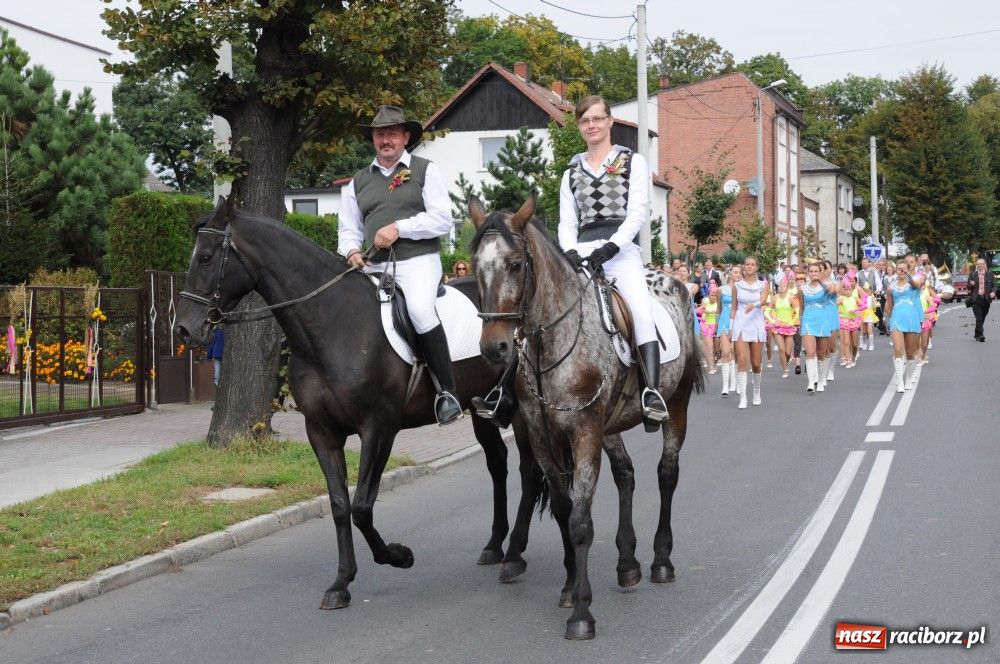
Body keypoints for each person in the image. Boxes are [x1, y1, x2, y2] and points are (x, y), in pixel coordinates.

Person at [338, 105, 462, 425]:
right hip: (374, 267)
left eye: (392, 133)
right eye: (380, 134)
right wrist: (352, 251)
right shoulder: (357, 182)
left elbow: (442, 219)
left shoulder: (425, 169)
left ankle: (446, 393)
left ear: (406, 137)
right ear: (373, 140)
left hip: (418, 261)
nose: (386, 139)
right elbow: (348, 229)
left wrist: (400, 229)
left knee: (420, 310)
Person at [559, 94, 668, 427]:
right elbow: (566, 221)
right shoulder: (571, 172)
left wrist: (613, 245)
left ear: (609, 121)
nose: (591, 125)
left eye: (597, 119)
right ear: (580, 127)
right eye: (585, 121)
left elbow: (637, 213)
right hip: (582, 252)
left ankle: (651, 393)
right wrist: (570, 250)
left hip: (620, 253)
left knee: (640, 311)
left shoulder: (632, 162)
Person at [730, 256, 770, 408]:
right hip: (740, 322)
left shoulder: (763, 284)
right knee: (741, 360)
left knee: (755, 363)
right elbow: (734, 307)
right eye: (747, 264)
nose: (749, 267)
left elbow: (765, 299)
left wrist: (754, 305)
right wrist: (730, 327)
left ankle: (757, 391)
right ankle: (743, 397)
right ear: (743, 267)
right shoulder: (737, 285)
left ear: (757, 267)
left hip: (756, 322)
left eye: (753, 265)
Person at [884, 259, 925, 392]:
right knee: (897, 350)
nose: (901, 271)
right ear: (896, 271)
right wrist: (886, 320)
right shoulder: (891, 287)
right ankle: (900, 381)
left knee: (911, 353)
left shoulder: (913, 283)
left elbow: (917, 285)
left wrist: (907, 275)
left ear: (908, 270)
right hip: (897, 318)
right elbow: (889, 305)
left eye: (904, 269)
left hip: (912, 318)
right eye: (899, 269)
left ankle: (908, 379)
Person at [716, 265, 741, 397]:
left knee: (736, 353)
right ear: (730, 274)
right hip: (724, 322)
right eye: (735, 272)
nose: (737, 275)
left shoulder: (742, 290)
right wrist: (716, 327)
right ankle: (725, 384)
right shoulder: (721, 290)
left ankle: (736, 382)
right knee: (726, 352)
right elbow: (718, 309)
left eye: (739, 273)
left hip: (738, 322)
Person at [770, 278, 799, 378]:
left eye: (784, 286)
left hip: (789, 327)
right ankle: (786, 369)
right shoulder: (774, 298)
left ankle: (785, 362)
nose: (781, 287)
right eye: (780, 286)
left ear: (787, 288)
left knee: (787, 352)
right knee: (781, 349)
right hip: (778, 327)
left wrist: (791, 322)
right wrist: (773, 320)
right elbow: (767, 312)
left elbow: (796, 311)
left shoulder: (791, 298)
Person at [967, 257, 996, 342]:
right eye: (978, 264)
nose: (980, 265)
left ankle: (977, 333)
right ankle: (981, 335)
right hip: (976, 298)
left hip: (986, 299)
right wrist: (971, 284)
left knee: (983, 317)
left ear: (984, 265)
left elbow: (995, 285)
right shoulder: (973, 274)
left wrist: (993, 292)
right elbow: (968, 287)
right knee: (979, 318)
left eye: (981, 264)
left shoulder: (990, 274)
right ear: (977, 265)